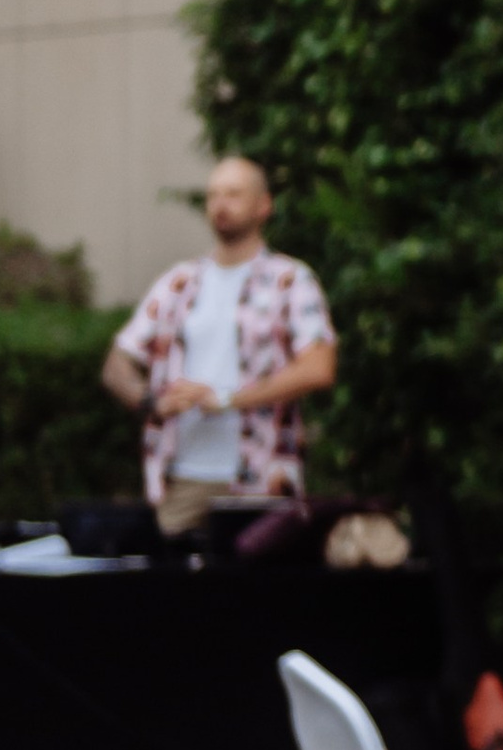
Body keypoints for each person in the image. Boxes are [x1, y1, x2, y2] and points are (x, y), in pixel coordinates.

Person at [102, 154, 337, 541]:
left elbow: (318, 366)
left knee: (256, 590)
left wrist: (228, 399)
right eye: (213, 195)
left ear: (264, 206)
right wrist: (151, 402)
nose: (220, 204)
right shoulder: (179, 282)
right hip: (184, 475)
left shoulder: (290, 280)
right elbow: (117, 364)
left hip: (262, 475)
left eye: (233, 194)